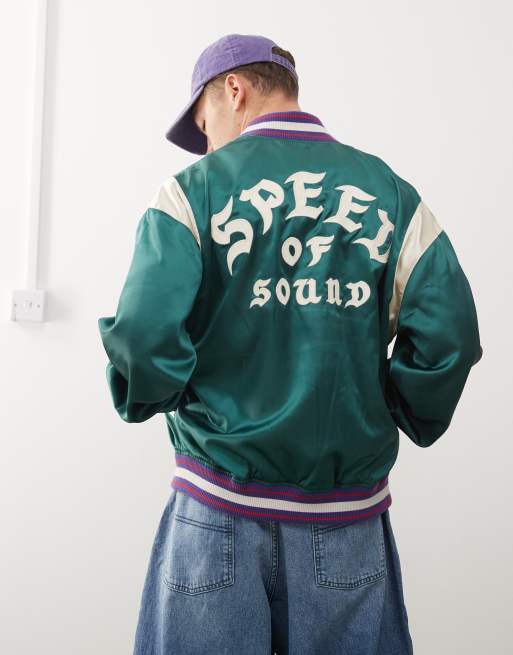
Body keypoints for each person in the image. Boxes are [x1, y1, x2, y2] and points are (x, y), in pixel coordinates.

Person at [97, 33, 483, 655]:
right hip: (345, 518)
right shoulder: (393, 196)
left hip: (217, 508)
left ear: (233, 90)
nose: (209, 144)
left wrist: (155, 393)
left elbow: (142, 337)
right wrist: (397, 408)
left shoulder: (190, 193)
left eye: (204, 125)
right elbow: (450, 336)